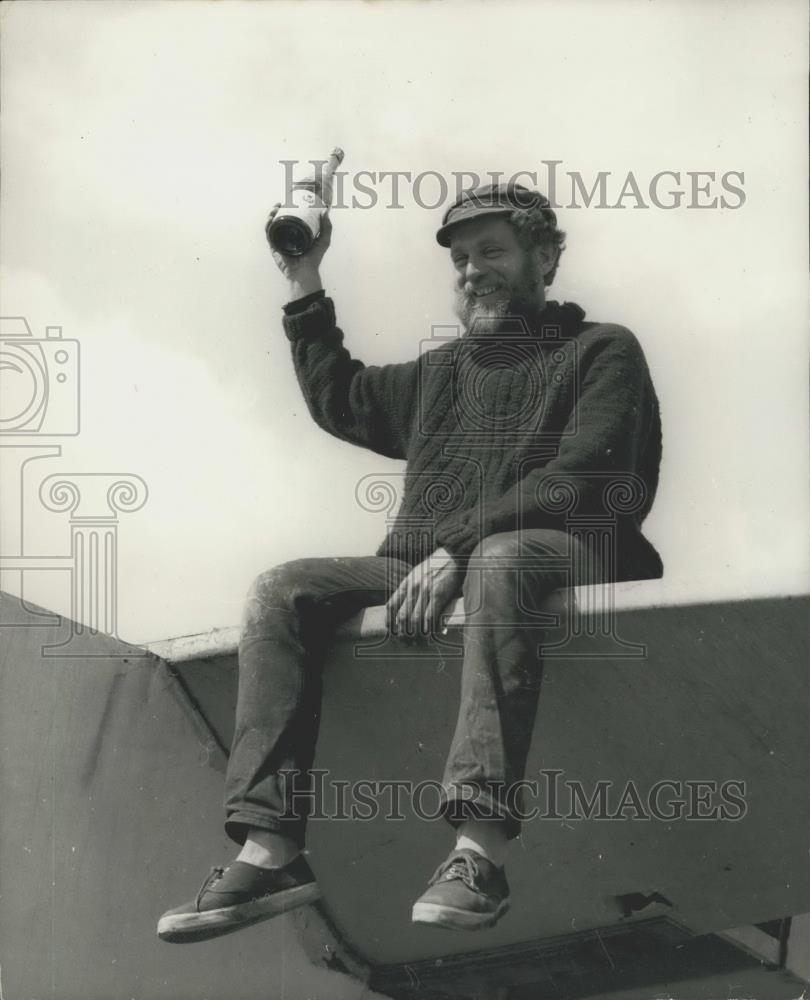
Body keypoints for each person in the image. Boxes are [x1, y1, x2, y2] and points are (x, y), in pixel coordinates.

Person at [157, 181, 663, 944]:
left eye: (492, 251)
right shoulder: (440, 375)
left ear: (548, 257)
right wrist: (303, 277)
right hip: (444, 560)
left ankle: (479, 853)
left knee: (500, 557)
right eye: (460, 258)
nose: (471, 270)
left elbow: (587, 473)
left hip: (562, 551)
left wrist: (458, 548)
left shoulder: (601, 348)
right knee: (282, 589)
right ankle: (272, 848)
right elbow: (341, 396)